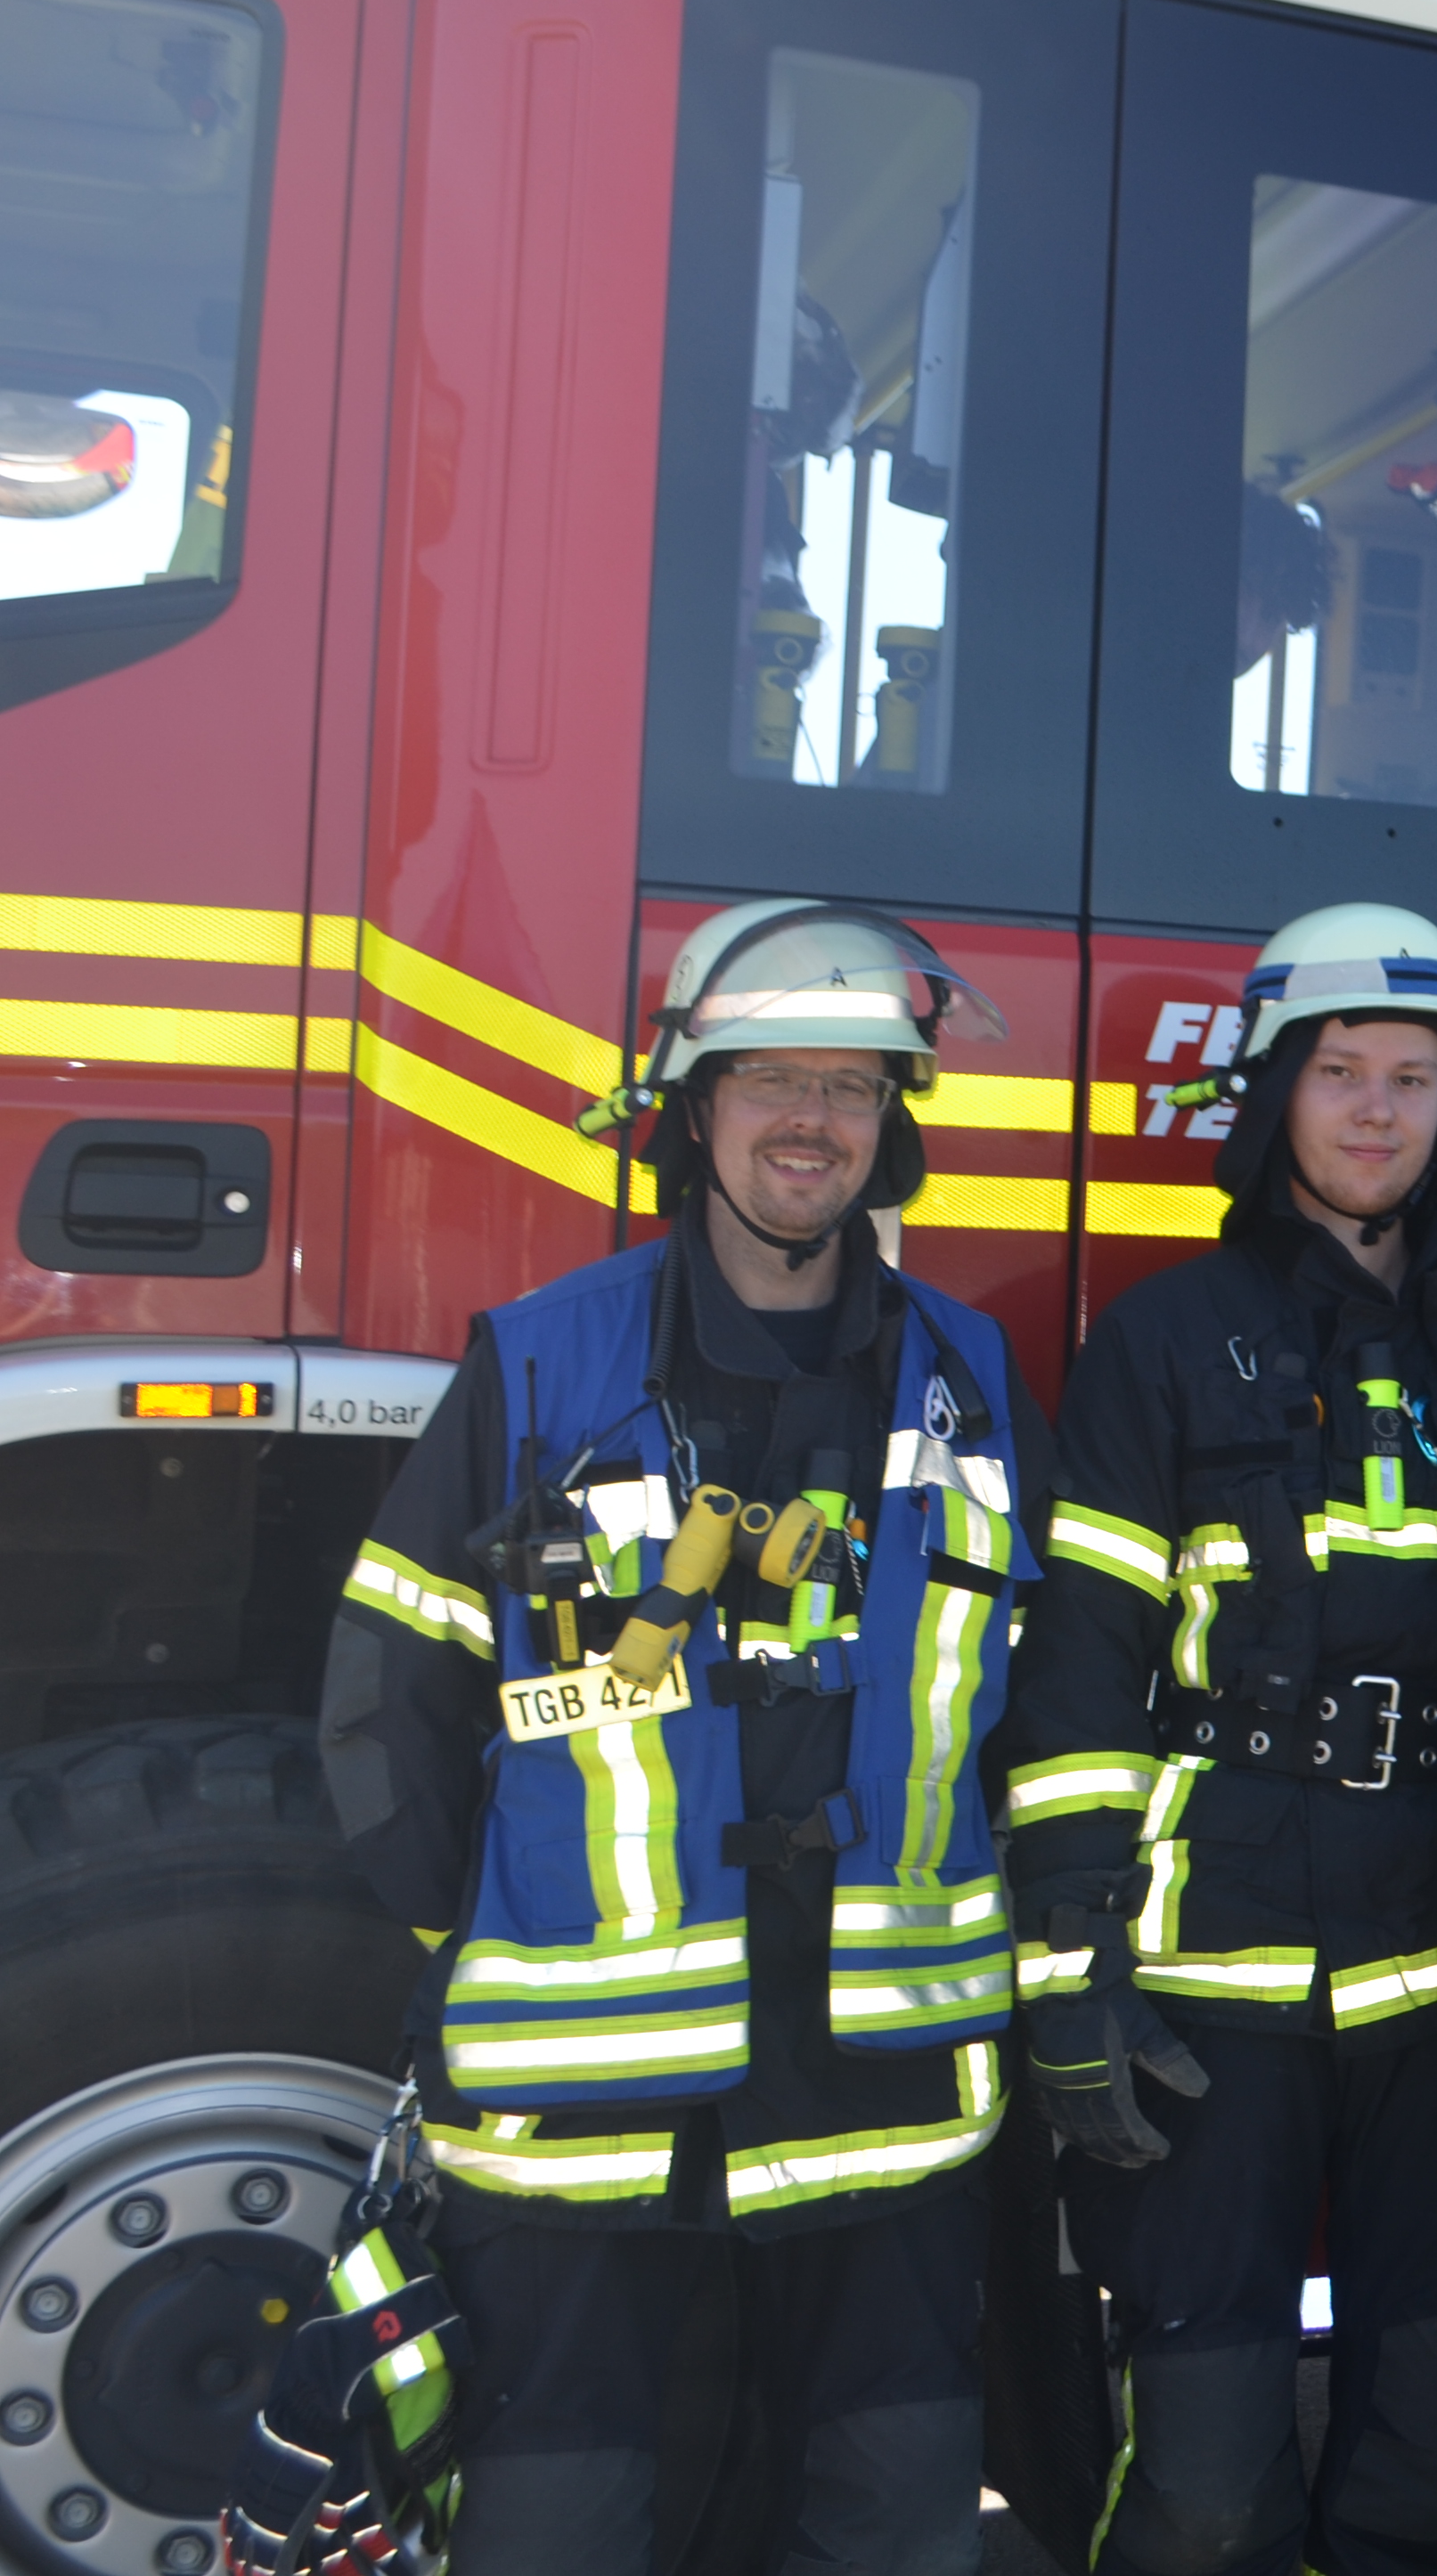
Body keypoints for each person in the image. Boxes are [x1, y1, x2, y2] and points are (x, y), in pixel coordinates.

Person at [320, 901, 1040, 2573]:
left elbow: (1034, 1689)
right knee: (560, 2523)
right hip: (587, 2107)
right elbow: (386, 1697)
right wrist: (478, 1940)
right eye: (772, 1077)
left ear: (894, 1121)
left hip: (884, 2086)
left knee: (890, 2520)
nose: (813, 1120)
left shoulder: (973, 1378)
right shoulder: (541, 1362)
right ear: (693, 1106)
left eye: (852, 1085)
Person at [998, 904, 1437, 2576]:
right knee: (1202, 2471)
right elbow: (1084, 1667)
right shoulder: (1164, 1340)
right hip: (1214, 1973)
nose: (1377, 1109)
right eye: (1339, 1072)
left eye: (1412, 1077)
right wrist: (1068, 1957)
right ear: (1272, 1095)